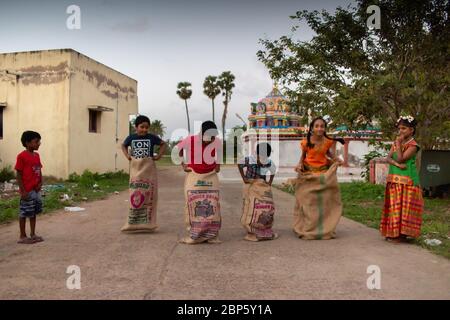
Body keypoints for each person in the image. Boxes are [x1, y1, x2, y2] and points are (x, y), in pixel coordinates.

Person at [292, 117, 345, 240]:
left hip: (323, 175)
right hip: (309, 175)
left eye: (322, 126)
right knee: (308, 202)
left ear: (325, 128)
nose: (320, 128)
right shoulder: (306, 142)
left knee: (324, 202)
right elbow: (303, 157)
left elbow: (329, 155)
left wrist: (336, 160)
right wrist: (299, 165)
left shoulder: (327, 142)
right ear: (312, 128)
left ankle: (324, 228)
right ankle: (308, 228)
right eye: (317, 126)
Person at [176, 121, 222, 244]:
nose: (212, 140)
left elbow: (220, 152)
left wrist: (217, 164)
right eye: (209, 137)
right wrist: (183, 164)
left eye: (213, 137)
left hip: (210, 176)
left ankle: (212, 235)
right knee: (192, 203)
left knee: (213, 203)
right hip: (194, 175)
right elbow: (178, 149)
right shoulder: (190, 140)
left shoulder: (216, 141)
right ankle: (194, 234)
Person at [380, 115, 424, 243]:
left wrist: (398, 144)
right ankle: (392, 232)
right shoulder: (396, 143)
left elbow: (400, 157)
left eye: (404, 128)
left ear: (411, 130)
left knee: (405, 209)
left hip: (408, 181)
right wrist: (398, 165)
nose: (400, 131)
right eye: (399, 128)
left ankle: (401, 235)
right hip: (394, 179)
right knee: (394, 207)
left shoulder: (413, 145)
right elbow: (388, 158)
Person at [120, 115, 167, 232]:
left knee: (149, 194)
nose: (145, 130)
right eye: (142, 127)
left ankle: (149, 224)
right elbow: (123, 145)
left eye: (147, 127)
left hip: (148, 168)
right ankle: (133, 223)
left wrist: (159, 155)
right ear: (136, 127)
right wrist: (127, 156)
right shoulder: (131, 138)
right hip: (136, 168)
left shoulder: (151, 137)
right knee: (135, 193)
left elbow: (163, 144)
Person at [238, 142, 278, 241]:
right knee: (250, 205)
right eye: (261, 155)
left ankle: (263, 227)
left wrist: (269, 182)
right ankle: (250, 227)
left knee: (265, 206)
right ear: (256, 153)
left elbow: (273, 170)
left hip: (262, 185)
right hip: (250, 185)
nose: (262, 159)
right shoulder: (249, 160)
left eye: (265, 156)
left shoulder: (269, 162)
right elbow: (239, 165)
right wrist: (244, 178)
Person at [15, 131, 44, 244]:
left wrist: (40, 182)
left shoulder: (37, 156)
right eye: (36, 141)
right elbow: (18, 174)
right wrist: (23, 191)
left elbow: (39, 169)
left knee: (33, 212)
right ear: (27, 143)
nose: (39, 144)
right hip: (27, 190)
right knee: (24, 213)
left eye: (39, 141)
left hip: (35, 190)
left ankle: (33, 234)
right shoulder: (21, 156)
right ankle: (22, 236)